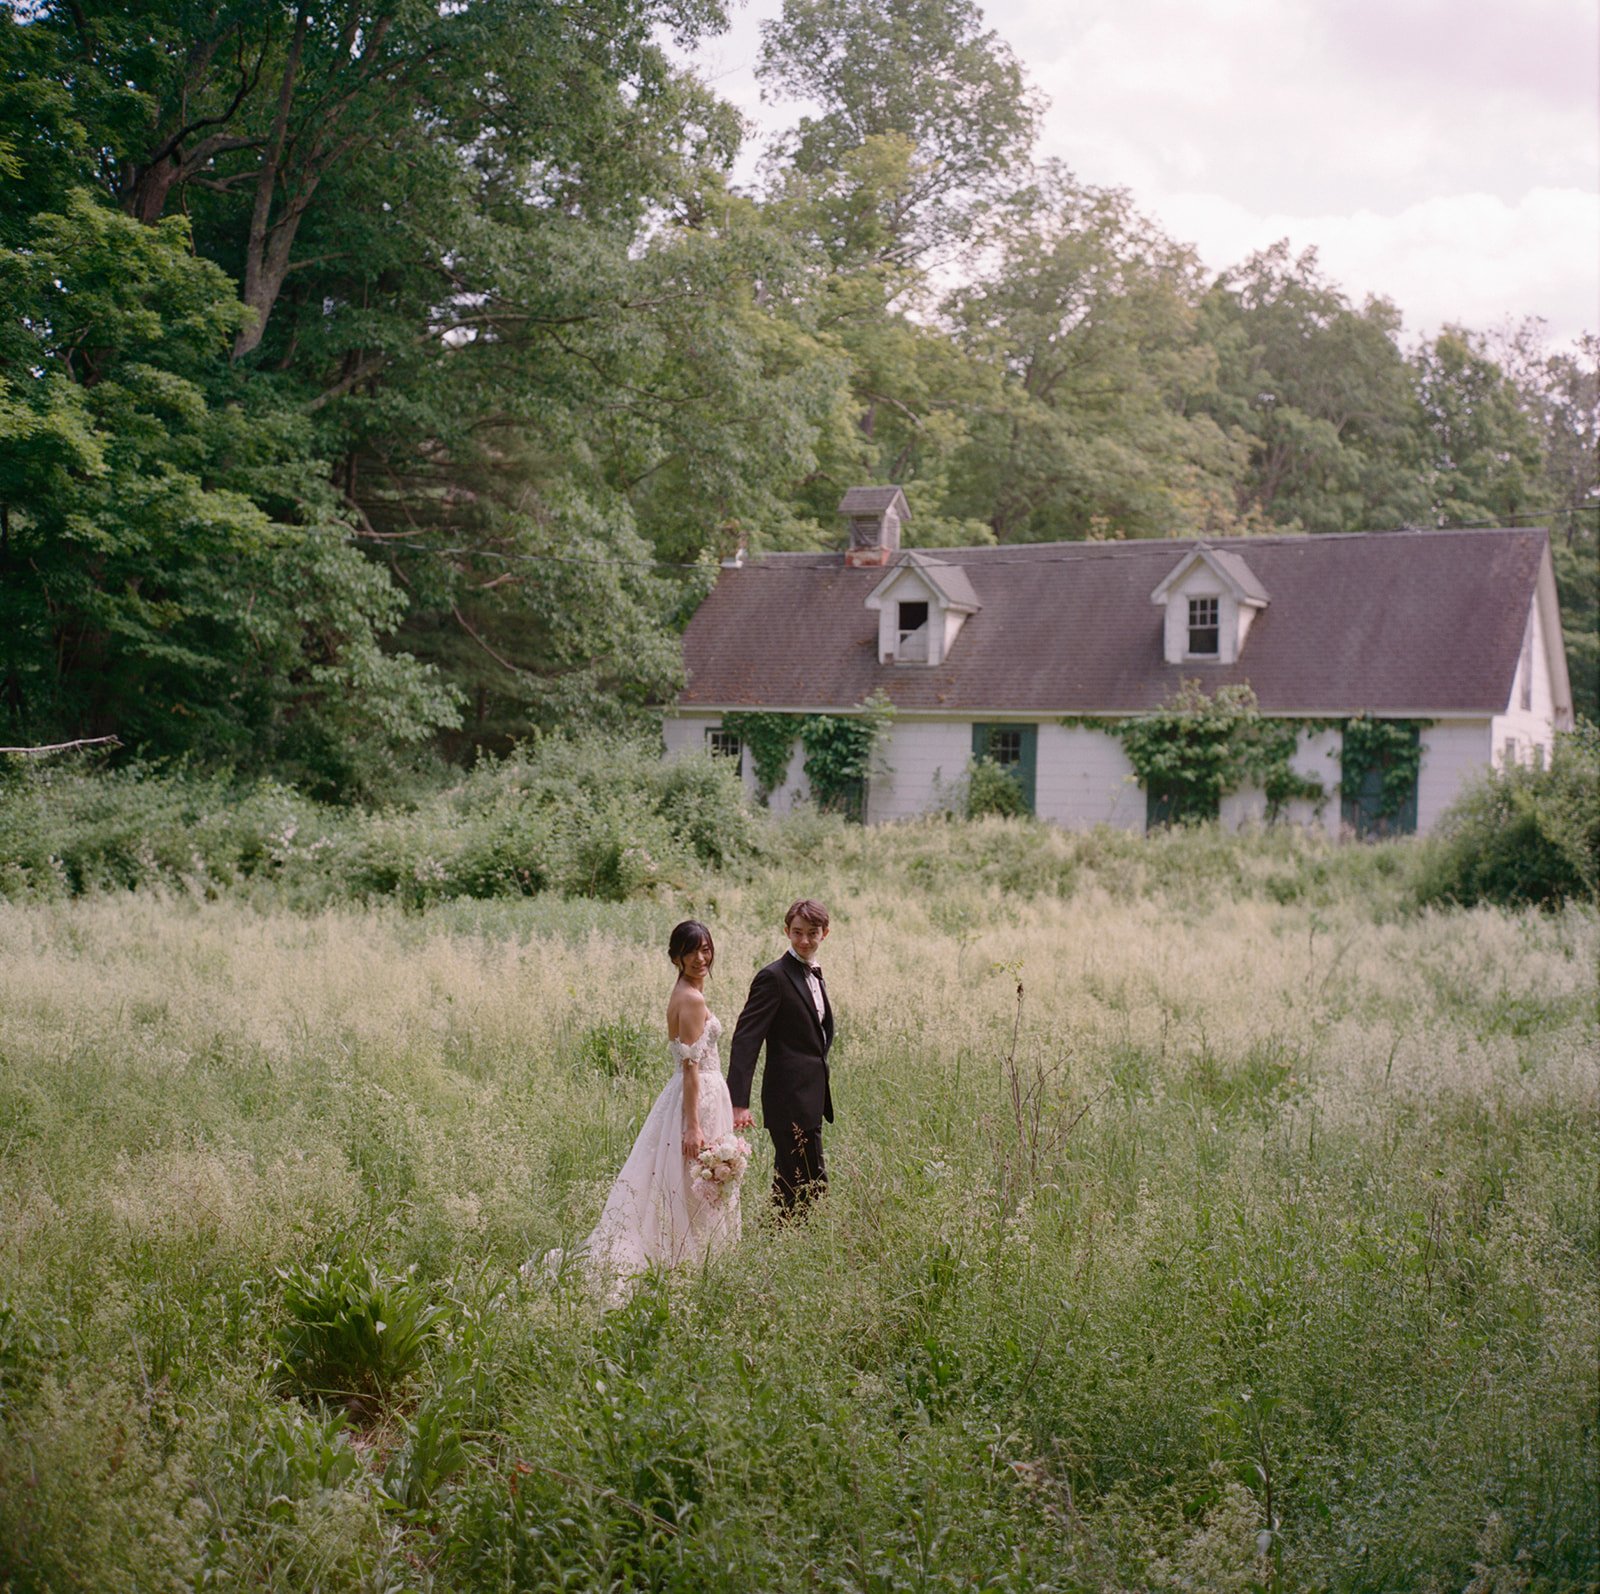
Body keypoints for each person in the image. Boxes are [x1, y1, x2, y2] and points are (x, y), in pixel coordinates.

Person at [539, 920, 741, 1303]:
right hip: (696, 1099)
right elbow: (691, 1067)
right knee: (692, 1184)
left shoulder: (684, 991)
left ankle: (687, 1260)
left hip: (695, 1097)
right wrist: (694, 1126)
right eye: (691, 951)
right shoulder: (692, 999)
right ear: (676, 956)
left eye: (706, 950)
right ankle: (684, 1261)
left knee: (683, 1183)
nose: (701, 958)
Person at [727, 898, 835, 1217]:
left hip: (811, 1096)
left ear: (824, 934)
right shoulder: (773, 977)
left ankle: (783, 1241)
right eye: (797, 932)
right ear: (786, 931)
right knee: (808, 1180)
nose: (804, 940)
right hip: (786, 1098)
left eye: (812, 933)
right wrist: (739, 1101)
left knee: (794, 1181)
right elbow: (746, 1038)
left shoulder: (814, 974)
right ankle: (792, 1239)